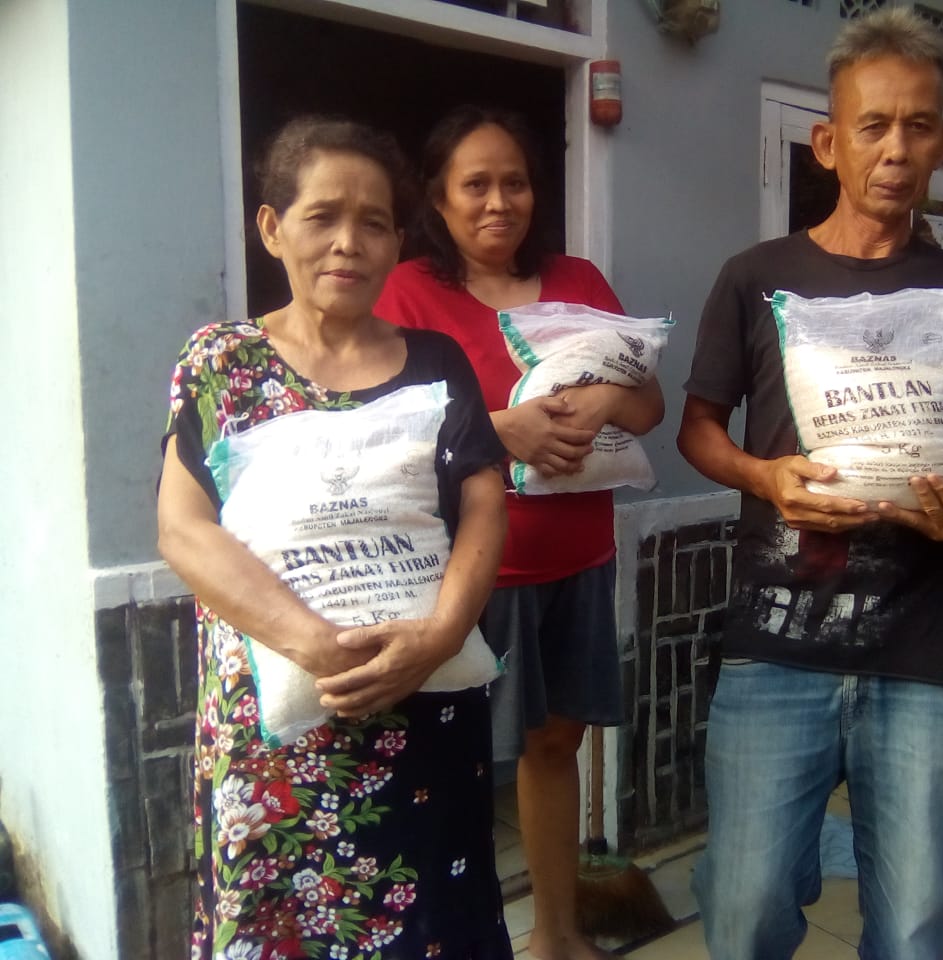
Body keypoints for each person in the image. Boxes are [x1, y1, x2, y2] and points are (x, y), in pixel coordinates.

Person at [677, 9, 943, 960]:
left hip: (924, 647)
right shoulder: (757, 278)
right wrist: (763, 476)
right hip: (779, 639)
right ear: (829, 143)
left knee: (909, 931)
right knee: (743, 913)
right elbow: (698, 429)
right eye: (874, 126)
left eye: (919, 126)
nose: (897, 149)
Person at [158, 116, 515, 960]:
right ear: (272, 227)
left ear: (397, 241)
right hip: (276, 740)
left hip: (425, 713)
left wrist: (439, 637)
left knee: (434, 927)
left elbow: (485, 504)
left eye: (374, 222)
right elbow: (182, 526)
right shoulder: (221, 361)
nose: (348, 243)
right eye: (322, 217)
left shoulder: (437, 361)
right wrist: (316, 646)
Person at [375, 106, 664, 960]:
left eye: (516, 182)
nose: (499, 202)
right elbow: (383, 436)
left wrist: (608, 399)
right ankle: (446, 938)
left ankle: (556, 935)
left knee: (555, 743)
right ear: (439, 198)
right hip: (470, 574)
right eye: (476, 185)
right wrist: (503, 430)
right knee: (452, 757)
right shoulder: (408, 293)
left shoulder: (579, 280)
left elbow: (649, 404)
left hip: (578, 560)